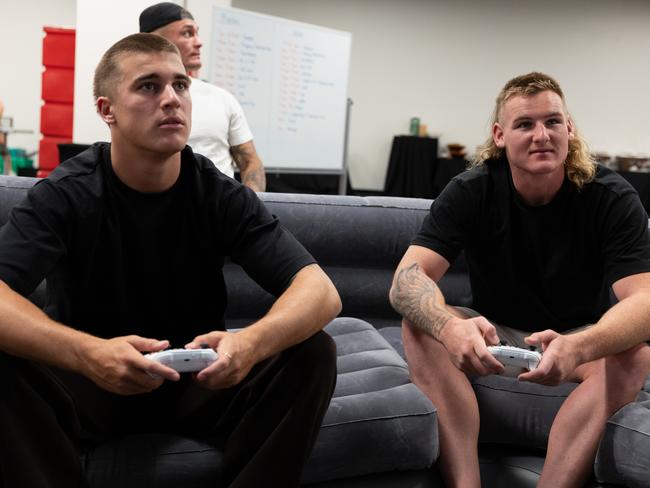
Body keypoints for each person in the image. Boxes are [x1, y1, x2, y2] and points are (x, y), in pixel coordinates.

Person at [0, 33, 340, 487]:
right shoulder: (67, 193)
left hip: (198, 383)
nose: (171, 100)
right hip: (93, 380)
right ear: (107, 111)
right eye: (148, 86)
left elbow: (320, 291)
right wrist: (89, 354)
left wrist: (253, 343)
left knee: (313, 351)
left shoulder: (216, 192)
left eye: (180, 85)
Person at [389, 72, 650, 488]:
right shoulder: (470, 190)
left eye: (552, 121)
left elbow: (644, 303)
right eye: (525, 124)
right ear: (499, 135)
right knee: (419, 326)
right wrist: (449, 326)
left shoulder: (612, 197)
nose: (541, 135)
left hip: (579, 337)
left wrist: (578, 344)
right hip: (494, 333)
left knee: (636, 354)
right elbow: (406, 280)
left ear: (570, 129)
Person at [139, 2, 266, 192]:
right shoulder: (135, 98)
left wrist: (249, 206)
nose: (199, 42)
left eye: (196, 33)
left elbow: (250, 161)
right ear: (153, 41)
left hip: (222, 213)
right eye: (187, 33)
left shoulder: (222, 99)